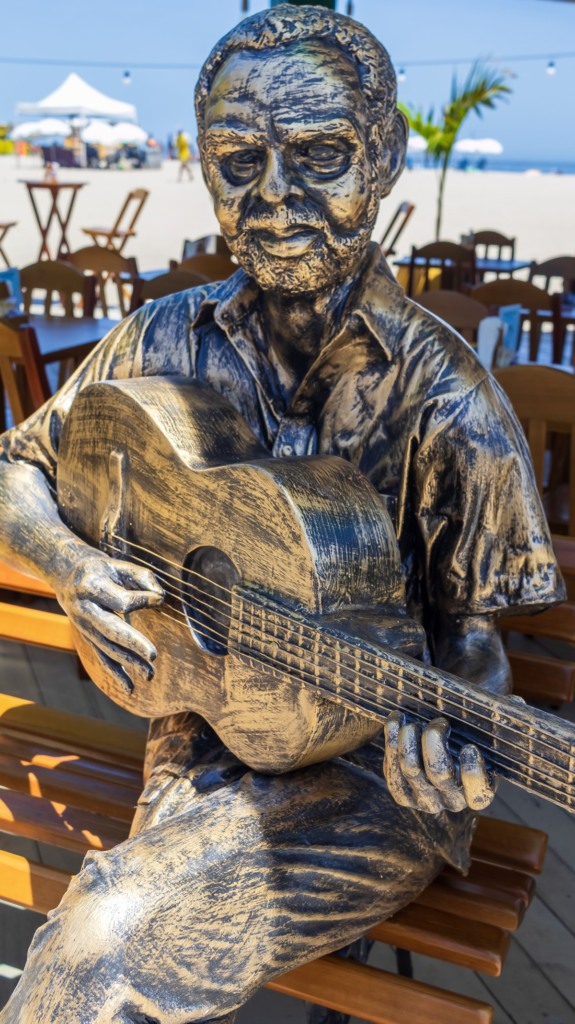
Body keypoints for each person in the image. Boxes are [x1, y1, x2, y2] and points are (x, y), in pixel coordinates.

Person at [0, 6, 565, 1024]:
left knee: (95, 952)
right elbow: (17, 470)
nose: (273, 196)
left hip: (373, 785)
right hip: (201, 725)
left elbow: (477, 655)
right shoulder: (163, 337)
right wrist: (71, 566)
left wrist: (452, 745)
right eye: (236, 159)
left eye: (317, 154)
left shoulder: (447, 402)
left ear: (383, 155)